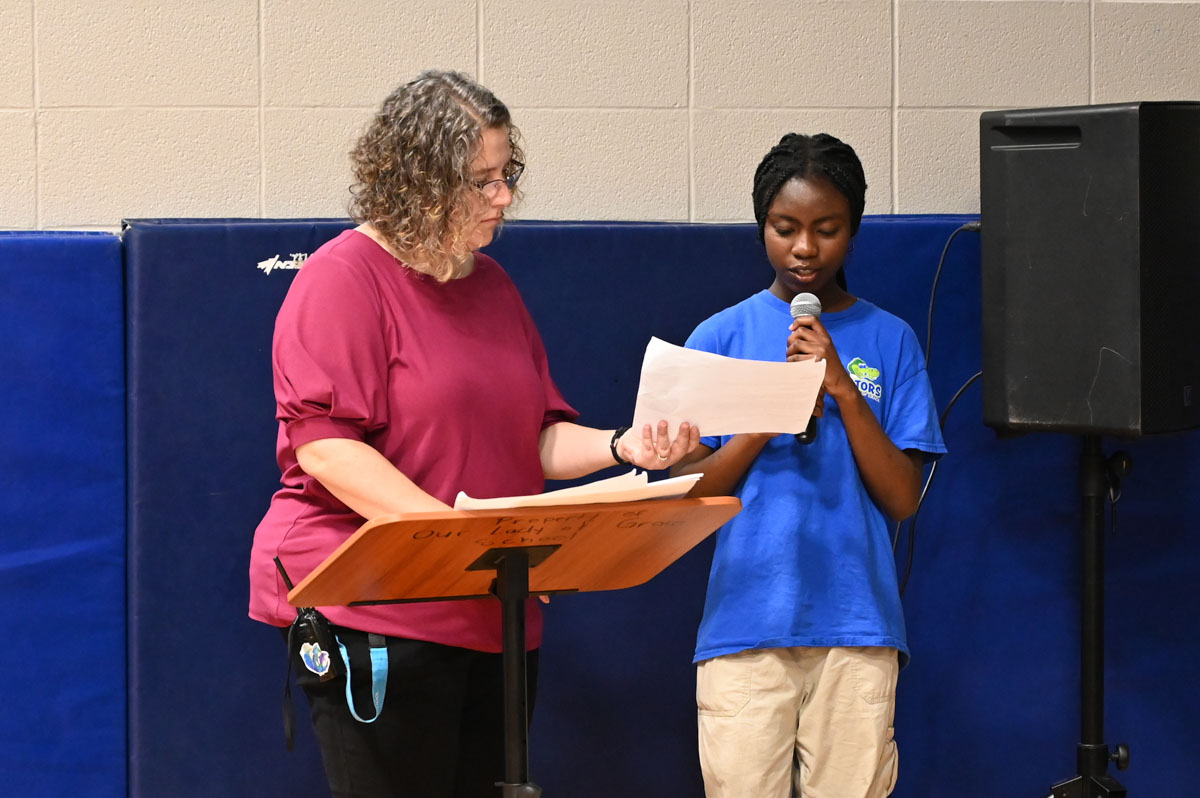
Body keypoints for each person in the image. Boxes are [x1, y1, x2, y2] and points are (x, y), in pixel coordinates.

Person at [247, 69, 699, 798]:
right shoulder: (341, 279)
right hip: (378, 607)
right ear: (418, 182)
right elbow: (327, 448)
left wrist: (624, 447)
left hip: (491, 606)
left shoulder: (491, 285)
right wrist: (461, 545)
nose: (504, 198)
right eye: (481, 181)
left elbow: (536, 440)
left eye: (506, 174)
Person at [670, 133, 947, 798]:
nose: (803, 249)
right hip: (745, 624)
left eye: (826, 229)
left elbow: (904, 497)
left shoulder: (891, 339)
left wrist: (843, 390)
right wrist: (765, 416)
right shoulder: (720, 339)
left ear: (852, 231)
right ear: (761, 225)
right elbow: (686, 501)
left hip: (857, 625)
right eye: (785, 228)